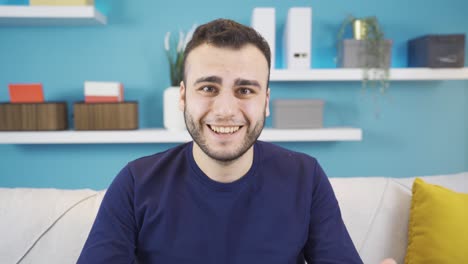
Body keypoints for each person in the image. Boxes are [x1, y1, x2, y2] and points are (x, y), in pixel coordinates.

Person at [78, 18, 393, 264]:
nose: (226, 110)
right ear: (183, 96)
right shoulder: (135, 183)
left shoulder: (305, 177)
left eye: (245, 90)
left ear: (265, 101)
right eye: (208, 88)